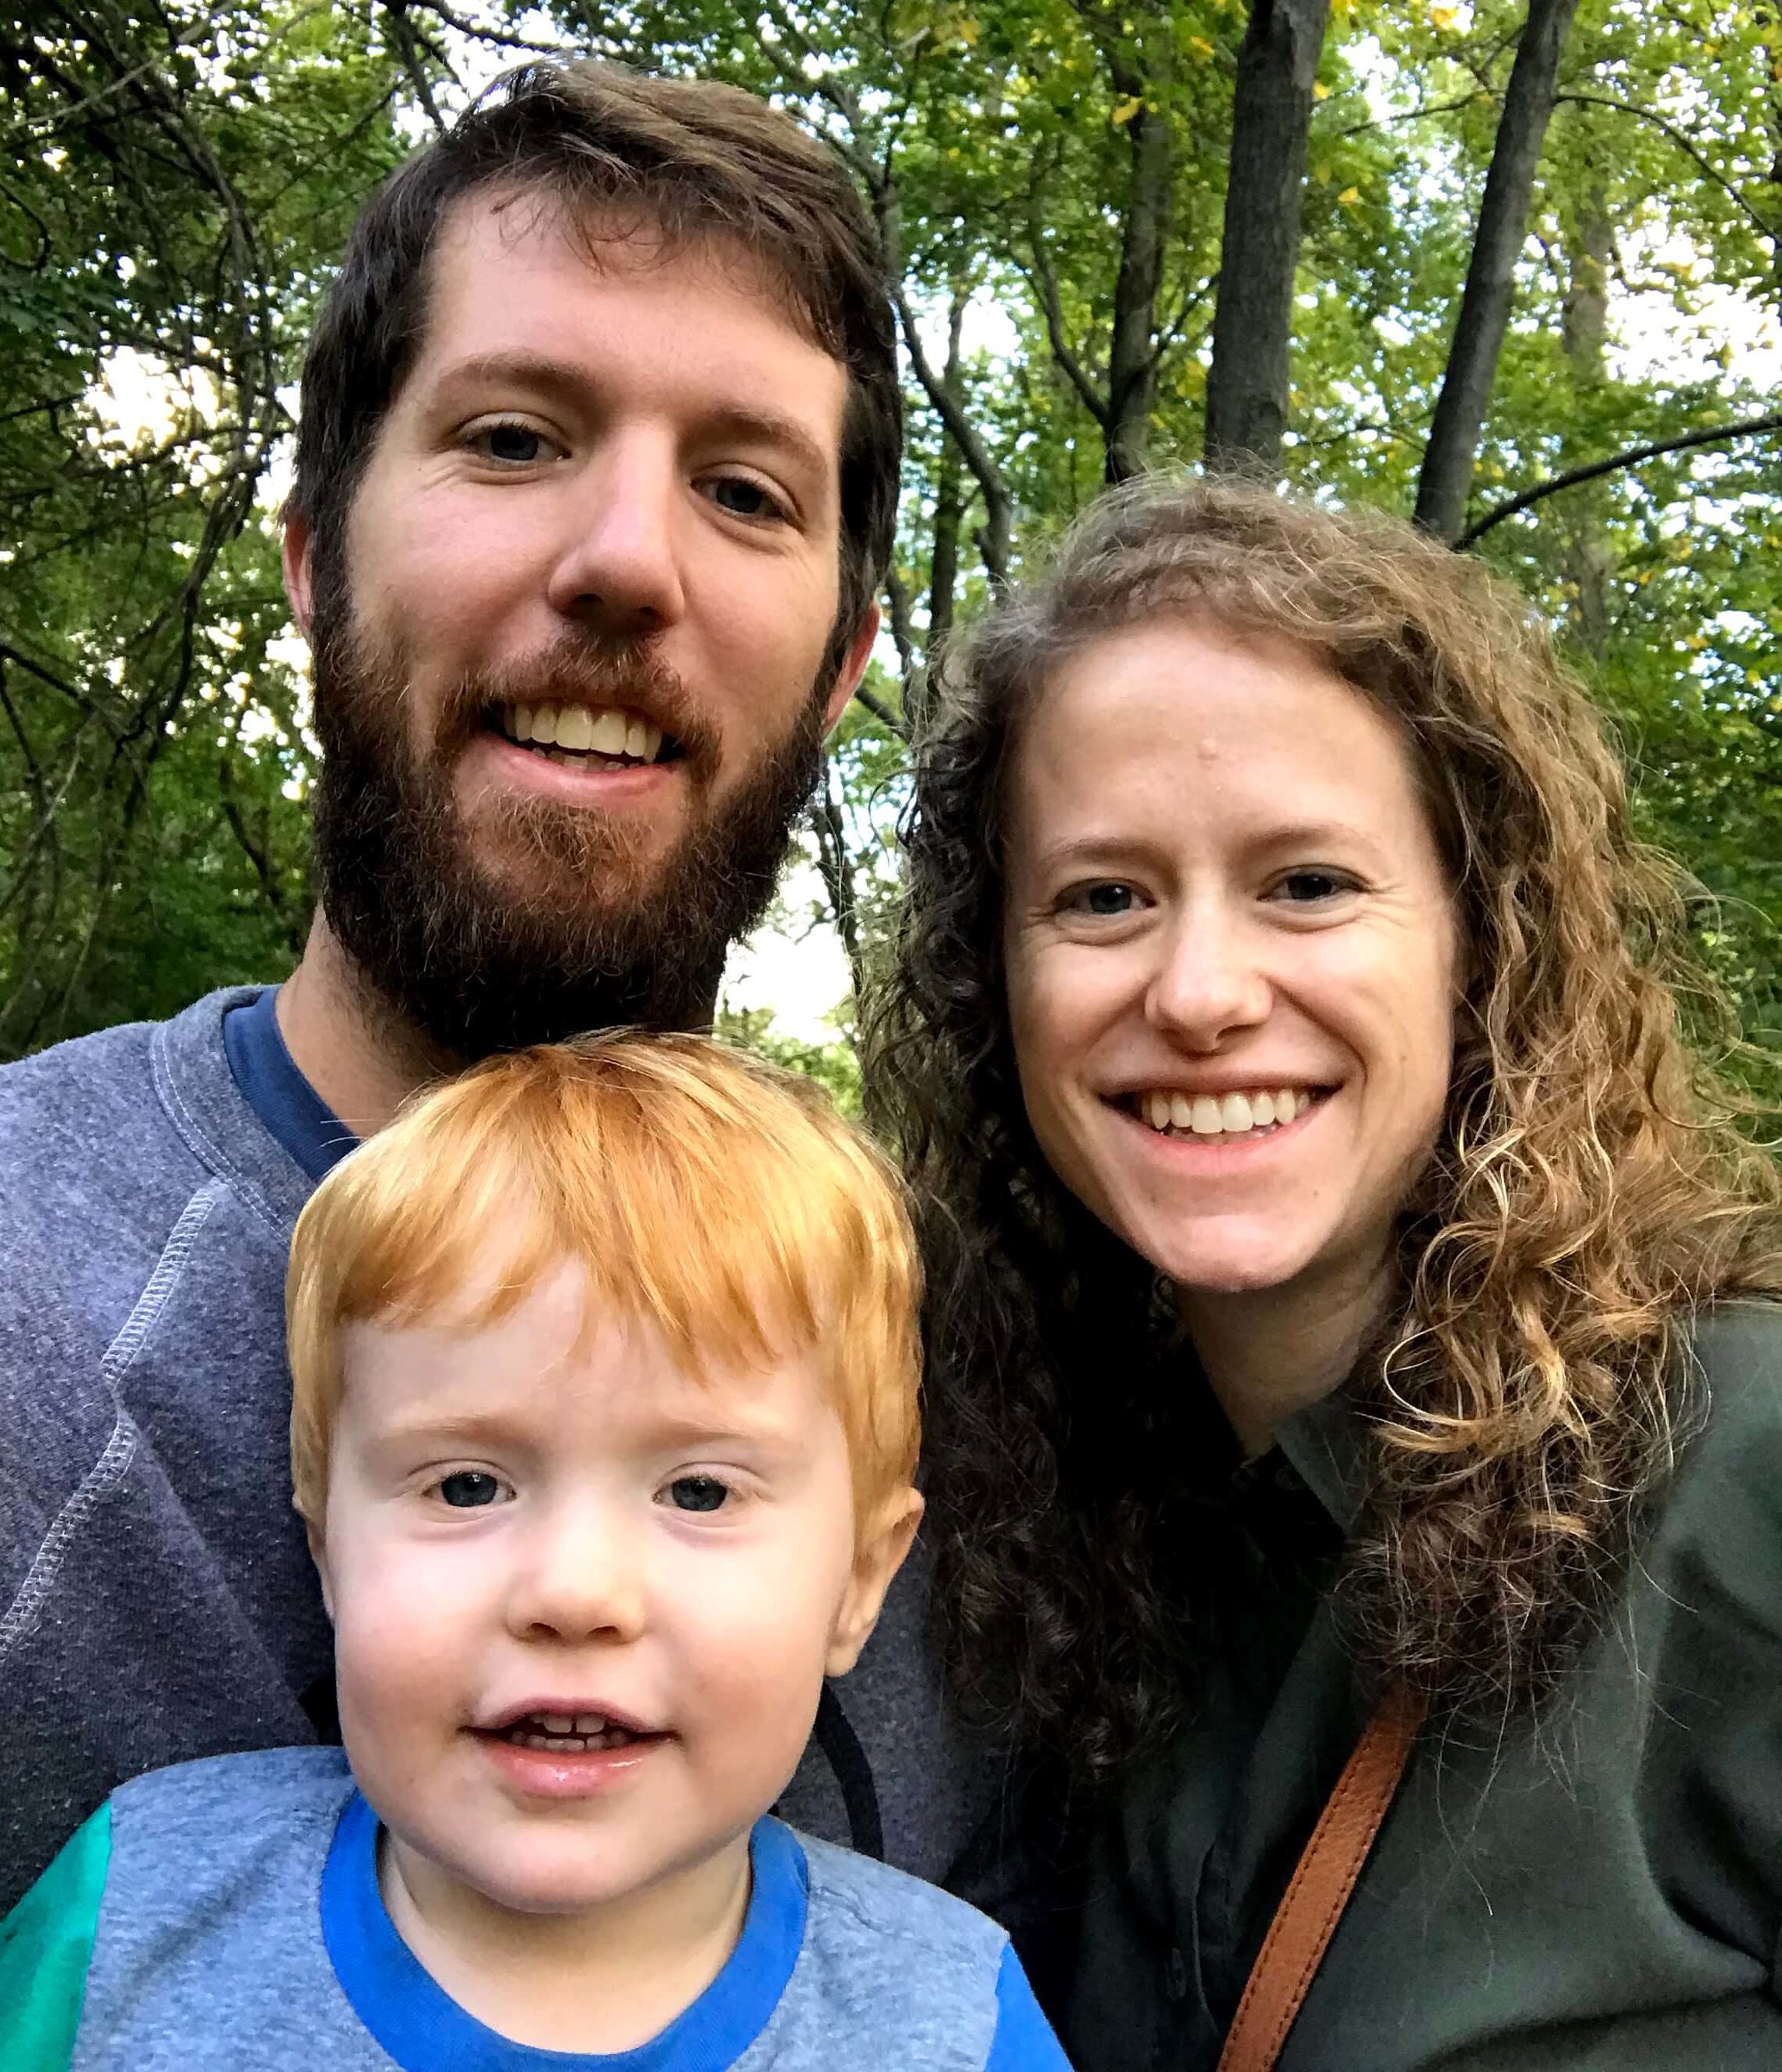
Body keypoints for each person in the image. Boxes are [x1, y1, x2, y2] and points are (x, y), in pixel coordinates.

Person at [0, 59, 996, 1916]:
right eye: (516, 439)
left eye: (742, 490)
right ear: (317, 560)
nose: (624, 562)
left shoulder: (976, 1414)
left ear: (841, 667)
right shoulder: (26, 1316)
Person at [871, 474, 1782, 2066]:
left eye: (1305, 883)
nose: (1199, 993)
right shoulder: (996, 1521)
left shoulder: (1734, 1471)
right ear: (989, 978)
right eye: (1102, 898)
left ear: (1477, 942)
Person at [0, 1036, 1070, 2070]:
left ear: (861, 1582)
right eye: (467, 1485)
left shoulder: (954, 2022)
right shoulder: (130, 1912)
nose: (573, 1590)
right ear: (328, 1549)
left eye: (699, 1491)